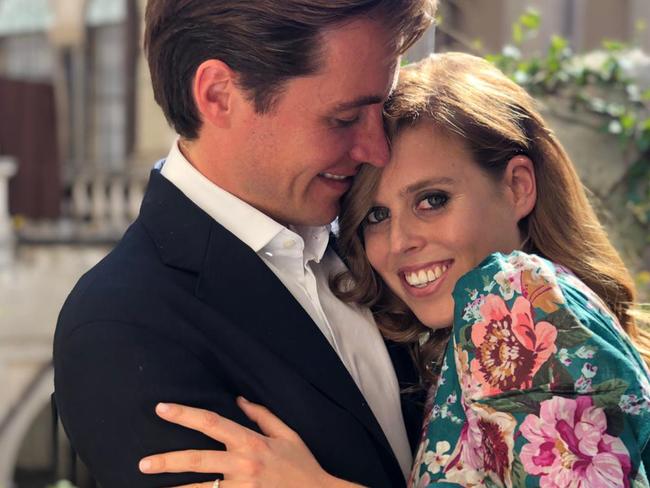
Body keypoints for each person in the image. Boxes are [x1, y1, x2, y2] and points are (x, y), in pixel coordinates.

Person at [138, 53, 650, 487]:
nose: (401, 241)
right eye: (377, 216)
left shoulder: (514, 293)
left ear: (517, 186)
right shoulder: (477, 331)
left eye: (433, 200)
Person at [53, 1, 437, 487]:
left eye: (381, 108)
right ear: (219, 95)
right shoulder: (118, 326)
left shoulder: (380, 234)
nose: (377, 149)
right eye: (343, 119)